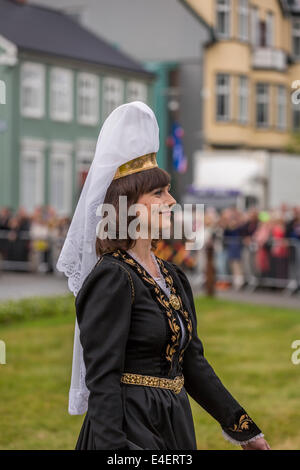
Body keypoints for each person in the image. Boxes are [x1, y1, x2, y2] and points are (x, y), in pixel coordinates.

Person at [57, 101, 270, 450]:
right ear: (128, 205)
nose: (171, 201)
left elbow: (192, 362)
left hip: (172, 423)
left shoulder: (172, 275)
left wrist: (244, 428)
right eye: (158, 193)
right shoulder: (113, 278)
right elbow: (103, 379)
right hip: (129, 429)